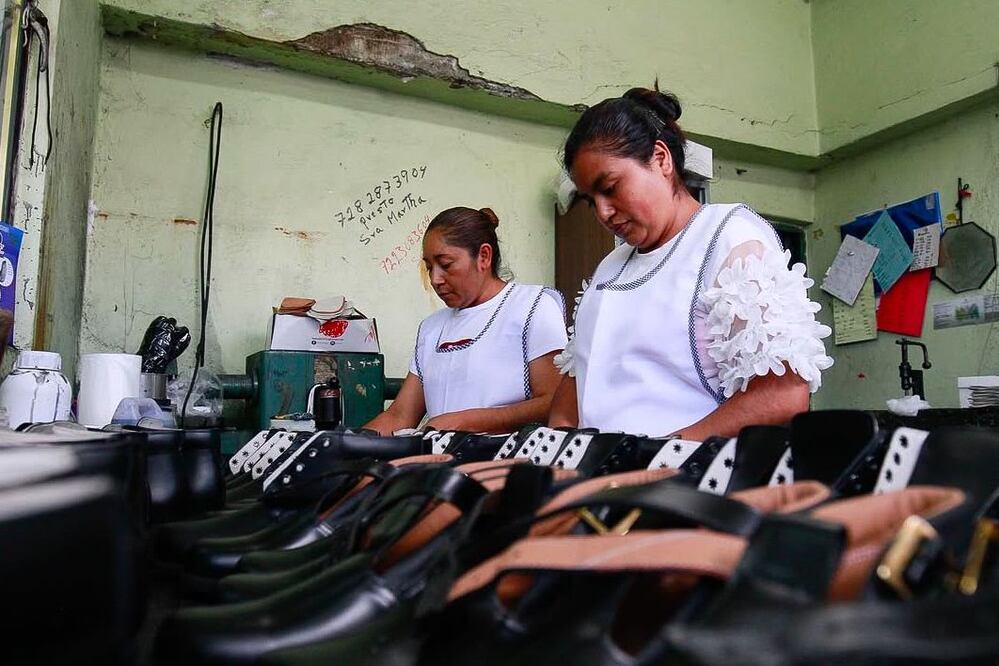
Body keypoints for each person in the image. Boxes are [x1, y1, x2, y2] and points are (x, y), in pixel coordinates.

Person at [549, 87, 833, 440]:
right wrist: (560, 448)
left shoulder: (729, 237)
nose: (603, 213)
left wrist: (652, 458)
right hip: (602, 478)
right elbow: (574, 389)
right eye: (591, 201)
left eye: (611, 188)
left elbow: (782, 395)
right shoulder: (610, 268)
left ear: (661, 159)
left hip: (689, 480)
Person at [365, 206, 567, 435]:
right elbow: (400, 415)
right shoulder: (432, 329)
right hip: (440, 465)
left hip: (506, 464)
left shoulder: (532, 306)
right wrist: (346, 443)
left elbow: (555, 401)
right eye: (429, 267)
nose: (435, 279)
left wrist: (468, 421)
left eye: (446, 264)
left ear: (484, 256)